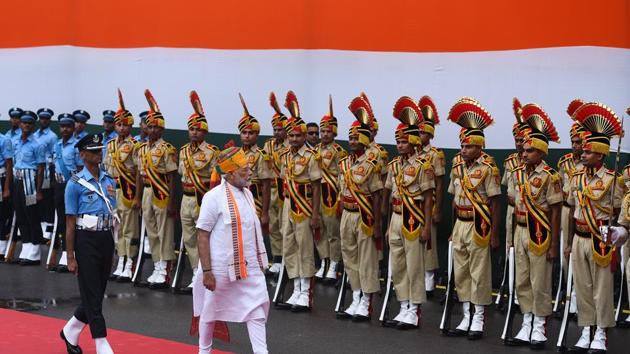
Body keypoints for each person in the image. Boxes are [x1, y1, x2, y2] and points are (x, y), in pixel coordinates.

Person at [193, 146, 269, 354]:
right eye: (244, 169)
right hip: (219, 267)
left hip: (249, 265)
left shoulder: (248, 194)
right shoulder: (213, 197)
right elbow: (202, 234)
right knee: (210, 311)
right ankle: (204, 351)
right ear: (230, 173)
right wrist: (207, 272)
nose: (250, 172)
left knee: (257, 308)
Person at [564, 101, 623, 353]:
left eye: (588, 152)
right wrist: (567, 242)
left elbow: (620, 211)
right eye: (583, 152)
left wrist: (616, 234)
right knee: (583, 287)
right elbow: (569, 209)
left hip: (600, 238)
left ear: (600, 155)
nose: (582, 155)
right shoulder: (575, 177)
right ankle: (586, 330)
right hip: (578, 236)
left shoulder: (613, 180)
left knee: (601, 288)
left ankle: (601, 332)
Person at [504, 103, 563, 349]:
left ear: (540, 152)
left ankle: (539, 326)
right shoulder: (517, 173)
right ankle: (526, 321)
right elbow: (511, 198)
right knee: (523, 280)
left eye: (529, 150)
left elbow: (556, 211)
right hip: (519, 230)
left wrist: (554, 245)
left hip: (539, 233)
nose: (524, 153)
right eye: (524, 149)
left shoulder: (551, 176)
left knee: (540, 281)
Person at [445, 97, 500, 340]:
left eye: (468, 146)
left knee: (479, 272)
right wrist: (452, 227)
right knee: (462, 271)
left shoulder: (489, 168)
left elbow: (496, 202)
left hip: (480, 225)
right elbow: (452, 198)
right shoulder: (457, 165)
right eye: (462, 145)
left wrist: (495, 233)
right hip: (461, 223)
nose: (463, 150)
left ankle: (478, 317)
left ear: (479, 148)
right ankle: (466, 314)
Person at [60, 133, 117, 354]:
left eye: (100, 150)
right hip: (85, 239)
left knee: (95, 292)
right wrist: (71, 256)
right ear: (83, 155)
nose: (98, 153)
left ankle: (70, 331)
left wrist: (114, 248)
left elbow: (113, 215)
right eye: (93, 151)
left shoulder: (109, 180)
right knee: (92, 292)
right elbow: (70, 224)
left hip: (105, 238)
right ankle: (101, 341)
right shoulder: (74, 184)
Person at [381, 97, 434, 329]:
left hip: (414, 218)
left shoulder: (424, 165)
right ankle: (403, 305)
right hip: (395, 217)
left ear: (413, 142)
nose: (400, 145)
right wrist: (387, 225)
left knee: (414, 266)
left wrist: (426, 228)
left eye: (403, 141)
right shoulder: (393, 165)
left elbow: (429, 198)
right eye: (398, 141)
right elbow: (390, 194)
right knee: (398, 265)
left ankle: (414, 309)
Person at [336, 96, 383, 321]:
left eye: (356, 138)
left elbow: (376, 195)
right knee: (349, 257)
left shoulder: (371, 164)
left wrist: (376, 224)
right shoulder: (344, 163)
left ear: (364, 140)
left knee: (366, 259)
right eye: (350, 138)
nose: (352, 141)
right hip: (347, 213)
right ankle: (355, 296)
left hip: (365, 216)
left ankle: (366, 301)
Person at [276, 90, 322, 312]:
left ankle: (306, 292)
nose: (294, 139)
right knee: (289, 245)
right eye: (290, 136)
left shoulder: (312, 157)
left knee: (304, 248)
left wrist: (315, 214)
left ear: (304, 136)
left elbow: (316, 187)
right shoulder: (284, 156)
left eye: (297, 136)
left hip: (304, 206)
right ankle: (296, 288)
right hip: (288, 204)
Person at [133, 90, 178, 288]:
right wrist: (136, 197)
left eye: (155, 127)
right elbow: (140, 175)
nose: (151, 130)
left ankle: (165, 269)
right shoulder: (141, 149)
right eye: (149, 127)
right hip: (147, 192)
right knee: (151, 230)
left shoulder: (167, 149)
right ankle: (157, 264)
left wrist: (170, 202)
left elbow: (171, 177)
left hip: (162, 193)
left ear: (161, 130)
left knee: (164, 231)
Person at [178, 91, 220, 288]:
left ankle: (206, 270)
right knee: (189, 237)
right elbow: (181, 176)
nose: (194, 132)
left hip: (202, 198)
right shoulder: (184, 151)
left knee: (205, 237)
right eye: (191, 129)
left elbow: (215, 181)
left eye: (198, 129)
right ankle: (196, 271)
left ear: (205, 132)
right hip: (186, 198)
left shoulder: (212, 152)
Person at [103, 90, 140, 282]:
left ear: (131, 126)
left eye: (125, 125)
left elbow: (139, 173)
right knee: (116, 229)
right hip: (113, 189)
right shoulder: (110, 145)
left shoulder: (135, 145)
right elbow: (107, 169)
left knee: (129, 229)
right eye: (119, 125)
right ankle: (119, 261)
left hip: (129, 189)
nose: (122, 128)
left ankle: (129, 263)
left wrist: (137, 197)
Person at [557, 100, 587, 316]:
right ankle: (568, 296)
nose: (575, 145)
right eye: (572, 141)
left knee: (582, 259)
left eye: (578, 142)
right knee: (566, 256)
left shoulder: (589, 165)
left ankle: (578, 299)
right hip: (567, 210)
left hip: (584, 213)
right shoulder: (564, 163)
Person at [314, 96, 347, 282]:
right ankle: (324, 260)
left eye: (328, 131)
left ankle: (334, 263)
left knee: (333, 232)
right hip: (317, 195)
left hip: (331, 195)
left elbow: (343, 177)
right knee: (319, 231)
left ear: (334, 132)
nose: (324, 134)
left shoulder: (339, 151)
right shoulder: (314, 150)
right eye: (322, 131)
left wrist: (341, 197)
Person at [417, 95, 445, 295]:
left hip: (429, 202)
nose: (419, 135)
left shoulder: (435, 154)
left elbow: (440, 183)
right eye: (418, 131)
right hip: (413, 204)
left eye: (423, 132)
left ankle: (429, 277)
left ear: (430, 134)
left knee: (429, 242)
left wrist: (437, 209)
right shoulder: (413, 153)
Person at [262, 92, 290, 275]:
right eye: (275, 129)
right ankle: (277, 259)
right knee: (273, 227)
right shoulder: (268, 145)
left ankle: (288, 259)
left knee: (285, 226)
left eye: (280, 129)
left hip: (285, 191)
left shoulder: (291, 145)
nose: (277, 132)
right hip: (270, 189)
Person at [13, 110, 46, 265]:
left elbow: (40, 168)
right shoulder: (16, 141)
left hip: (30, 184)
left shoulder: (38, 144)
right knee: (20, 214)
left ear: (33, 125)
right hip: (18, 181)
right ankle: (26, 247)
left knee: (32, 215)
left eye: (30, 123)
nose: (27, 125)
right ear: (20, 124)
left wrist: (39, 190)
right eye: (24, 122)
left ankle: (35, 250)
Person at [51, 113, 82, 272]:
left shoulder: (77, 146)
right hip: (58, 185)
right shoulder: (56, 145)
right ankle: (64, 252)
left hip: (71, 185)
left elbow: (81, 170)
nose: (65, 129)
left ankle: (70, 254)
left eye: (68, 126)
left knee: (71, 220)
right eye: (62, 126)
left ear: (73, 127)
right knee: (62, 221)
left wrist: (76, 188)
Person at [36, 108, 59, 241]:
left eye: (46, 118)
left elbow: (54, 157)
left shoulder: (52, 136)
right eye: (42, 118)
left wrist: (52, 176)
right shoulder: (35, 135)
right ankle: (41, 226)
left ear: (49, 120)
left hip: (46, 171)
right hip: (36, 172)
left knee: (47, 201)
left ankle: (49, 231)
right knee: (37, 201)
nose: (44, 120)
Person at [0, 132, 13, 260]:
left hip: (1, 178)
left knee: (1, 215)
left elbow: (9, 164)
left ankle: (1, 247)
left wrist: (6, 187)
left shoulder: (4, 140)